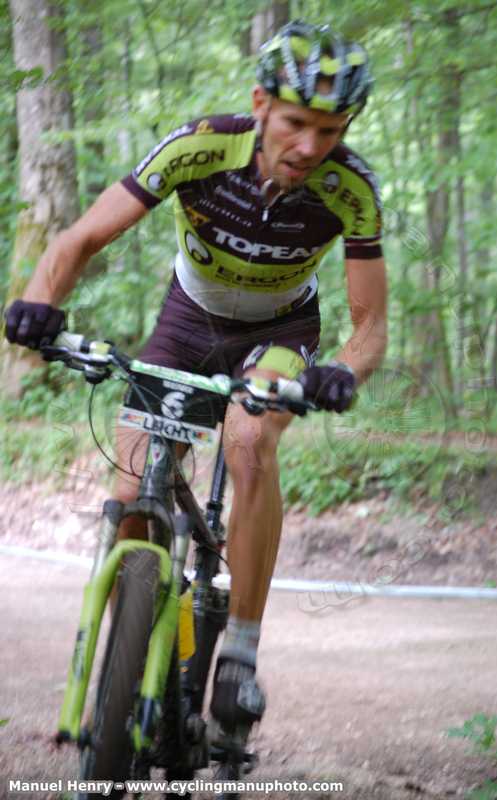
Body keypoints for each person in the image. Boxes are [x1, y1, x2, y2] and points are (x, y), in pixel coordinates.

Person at [4, 21, 387, 742]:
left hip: (278, 333)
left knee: (247, 443)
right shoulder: (202, 146)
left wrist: (342, 369)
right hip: (188, 322)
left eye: (329, 130)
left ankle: (238, 651)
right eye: (296, 123)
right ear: (261, 105)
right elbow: (81, 237)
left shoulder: (350, 188)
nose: (310, 146)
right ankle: (142, 656)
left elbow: (369, 326)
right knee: (129, 495)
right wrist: (39, 300)